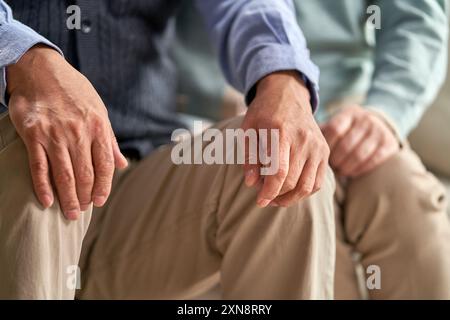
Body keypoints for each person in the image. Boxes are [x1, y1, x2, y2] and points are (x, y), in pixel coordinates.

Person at [0, 0, 336, 299]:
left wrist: (284, 79)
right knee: (42, 148)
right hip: (15, 186)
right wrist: (26, 62)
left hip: (137, 194)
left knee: (279, 158)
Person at [173, 0, 450, 299]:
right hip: (217, 116)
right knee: (289, 202)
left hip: (344, 116)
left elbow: (415, 18)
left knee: (406, 200)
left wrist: (385, 112)